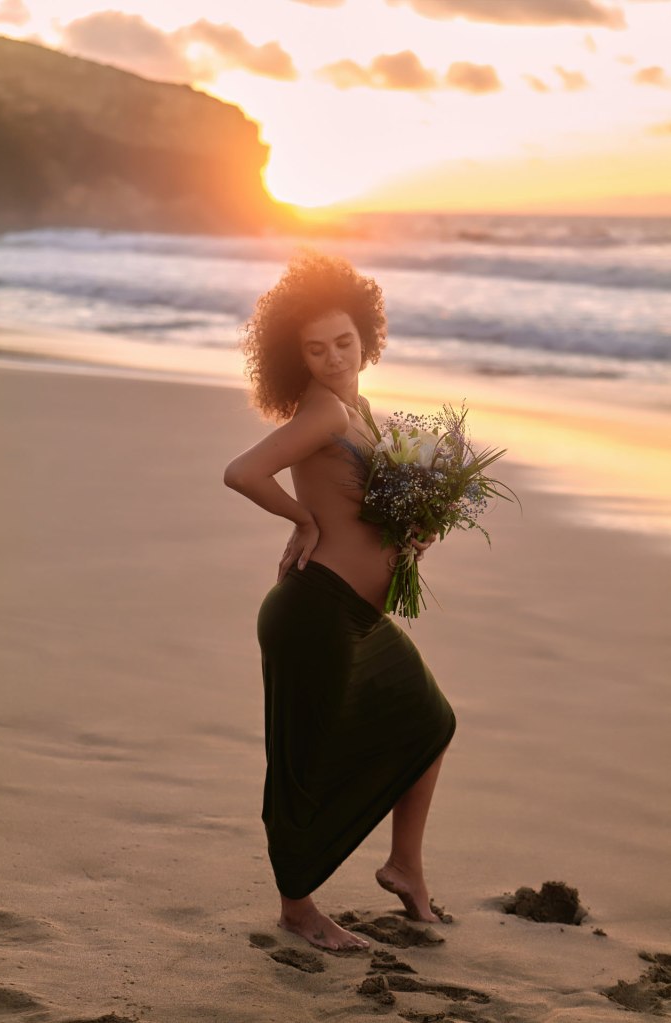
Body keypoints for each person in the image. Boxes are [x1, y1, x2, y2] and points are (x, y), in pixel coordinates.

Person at [224, 251, 456, 952]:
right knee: (304, 763)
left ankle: (404, 865)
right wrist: (303, 519)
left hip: (354, 616)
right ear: (296, 355)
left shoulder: (359, 411)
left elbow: (367, 510)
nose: (331, 357)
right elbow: (242, 471)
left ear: (367, 337)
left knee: (427, 720)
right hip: (315, 612)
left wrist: (412, 532)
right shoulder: (324, 409)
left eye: (343, 342)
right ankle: (298, 909)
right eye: (315, 347)